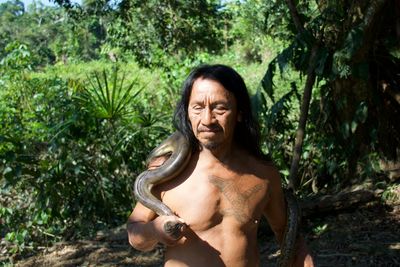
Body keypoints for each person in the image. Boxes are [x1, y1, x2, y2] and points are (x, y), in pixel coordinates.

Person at [127, 64, 314, 266]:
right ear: (187, 113)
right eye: (197, 107)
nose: (207, 119)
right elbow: (135, 235)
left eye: (220, 108)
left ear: (240, 112)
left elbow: (288, 236)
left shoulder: (263, 173)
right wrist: (156, 230)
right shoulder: (164, 171)